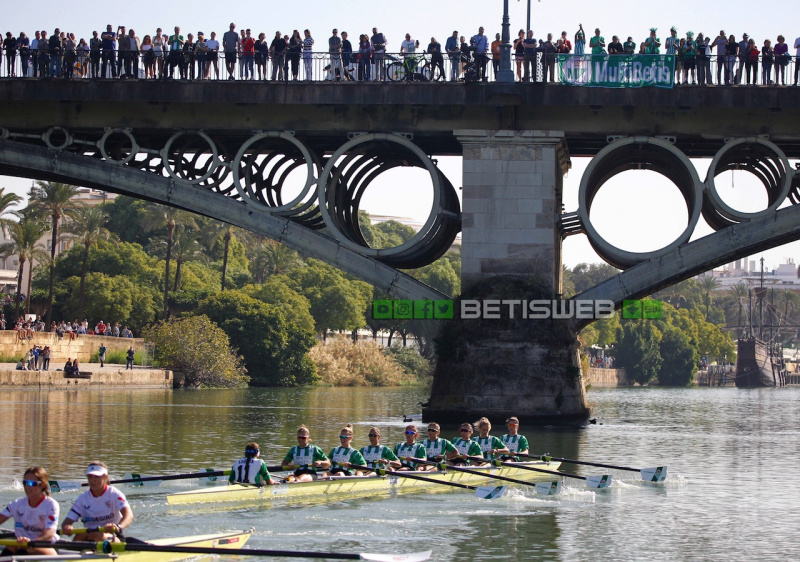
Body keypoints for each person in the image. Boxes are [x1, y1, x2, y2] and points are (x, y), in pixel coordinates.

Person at [61, 462, 133, 542]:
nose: (93, 480)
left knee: (96, 535)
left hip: (113, 534)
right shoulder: (82, 498)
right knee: (80, 535)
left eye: (97, 477)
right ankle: (79, 552)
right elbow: (66, 522)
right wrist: (66, 527)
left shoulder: (115, 494)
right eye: (90, 477)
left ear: (105, 477)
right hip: (89, 536)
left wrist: (118, 527)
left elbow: (129, 516)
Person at [0, 467, 59, 556]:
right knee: (11, 548)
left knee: (20, 550)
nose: (27, 487)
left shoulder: (51, 505)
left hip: (44, 546)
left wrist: (32, 543)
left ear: (42, 485)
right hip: (21, 545)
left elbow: (49, 532)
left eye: (31, 483)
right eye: (25, 483)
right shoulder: (17, 503)